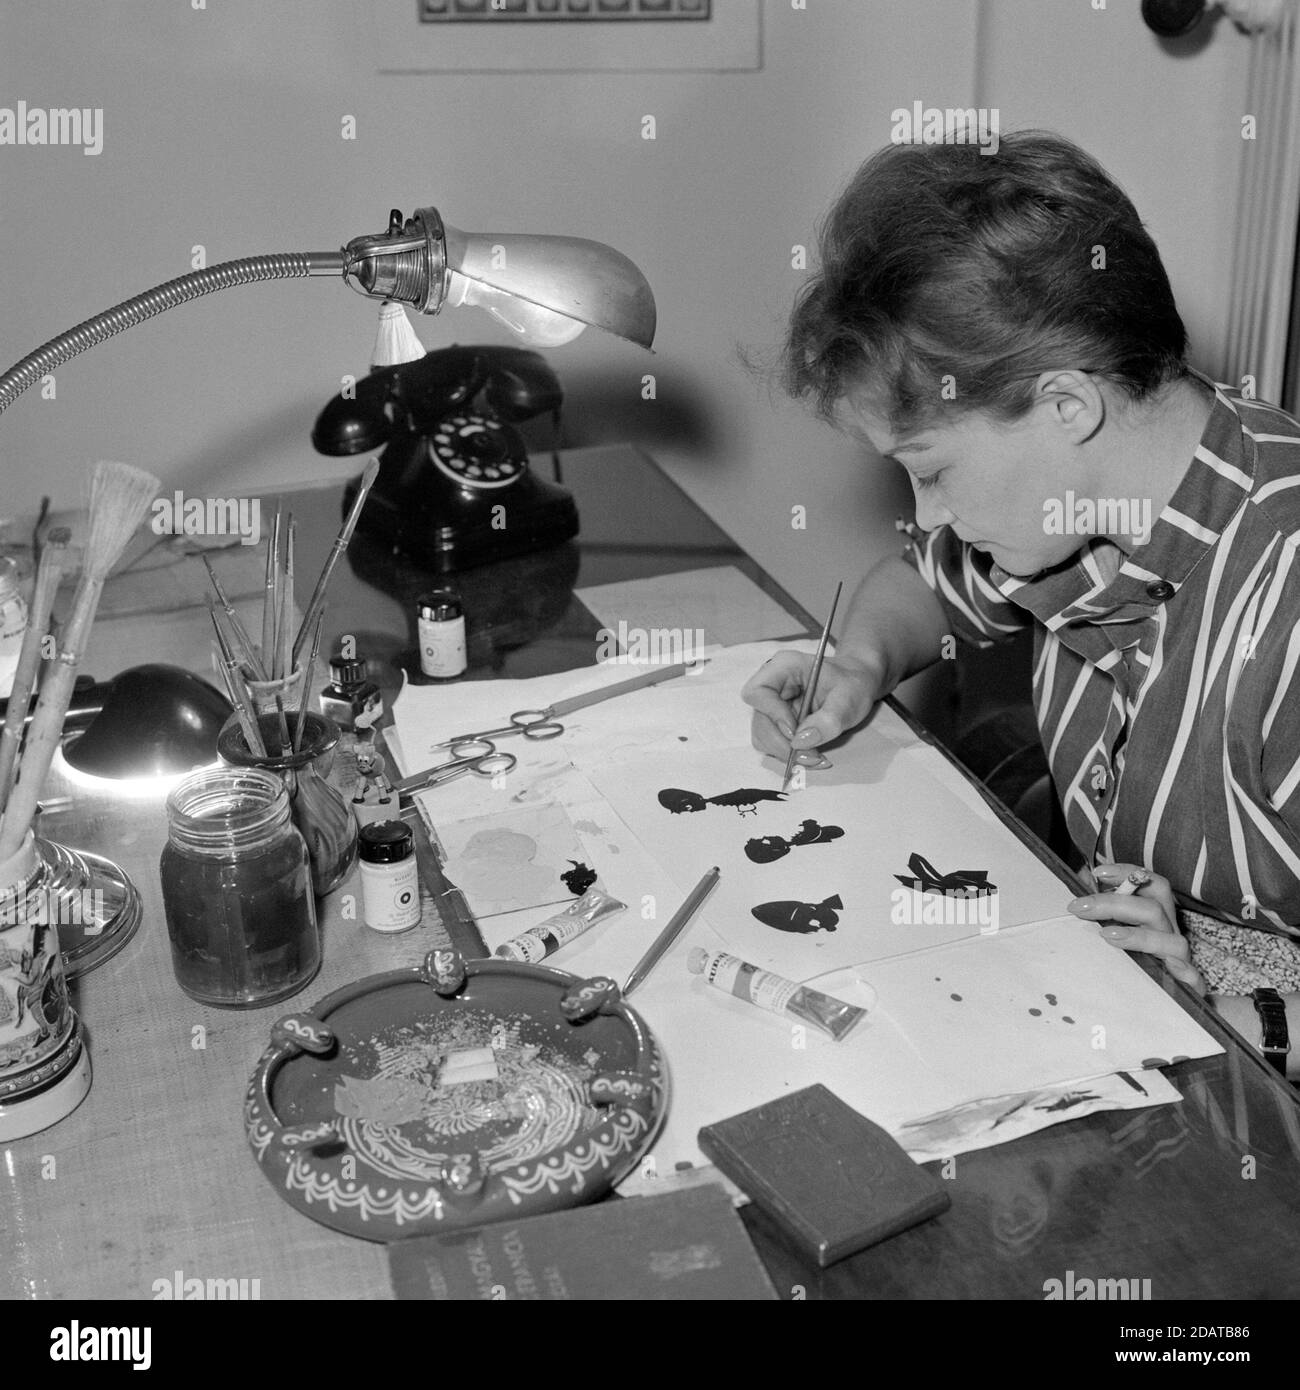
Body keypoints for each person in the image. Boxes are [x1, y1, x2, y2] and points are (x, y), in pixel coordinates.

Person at [742, 130, 1300, 1075]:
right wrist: (858, 663)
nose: (927, 515)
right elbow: (923, 581)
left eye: (933, 469)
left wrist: (1222, 1016)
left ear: (1066, 406)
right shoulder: (1080, 501)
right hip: (1124, 964)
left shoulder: (1283, 606)